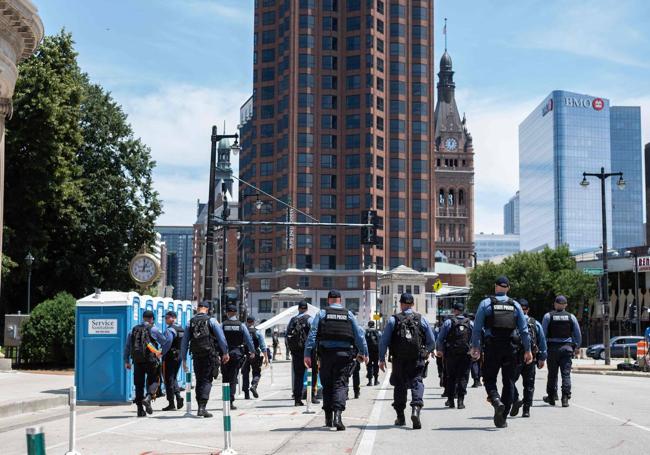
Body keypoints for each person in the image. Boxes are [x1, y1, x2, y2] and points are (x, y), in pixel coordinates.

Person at [470, 276, 533, 428]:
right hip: (511, 348)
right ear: (508, 288)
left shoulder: (486, 304)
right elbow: (524, 331)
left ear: (495, 287)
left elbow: (477, 329)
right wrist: (528, 350)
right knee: (509, 381)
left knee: (489, 378)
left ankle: (495, 399)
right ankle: (503, 417)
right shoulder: (516, 305)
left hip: (492, 347)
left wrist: (476, 347)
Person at [304, 290, 368, 431]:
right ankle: (338, 416)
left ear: (328, 300)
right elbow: (359, 335)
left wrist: (307, 353)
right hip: (344, 355)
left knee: (327, 385)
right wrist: (363, 352)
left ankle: (328, 418)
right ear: (340, 300)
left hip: (326, 355)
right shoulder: (349, 314)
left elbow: (313, 333)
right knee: (340, 384)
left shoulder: (322, 313)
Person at [379, 293, 435, 430]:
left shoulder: (394, 320)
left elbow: (383, 341)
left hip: (399, 359)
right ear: (413, 304)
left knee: (399, 386)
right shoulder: (421, 319)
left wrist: (381, 359)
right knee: (417, 382)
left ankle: (400, 417)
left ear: (401, 304)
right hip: (416, 358)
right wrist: (425, 352)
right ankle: (416, 409)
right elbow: (432, 341)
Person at [181, 301, 229, 418]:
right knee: (207, 380)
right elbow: (221, 338)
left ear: (198, 309)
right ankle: (202, 407)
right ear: (207, 309)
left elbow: (184, 342)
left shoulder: (190, 322)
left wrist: (183, 359)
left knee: (199, 380)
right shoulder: (211, 321)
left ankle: (199, 407)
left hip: (196, 355)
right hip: (209, 355)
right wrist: (225, 352)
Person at [124, 310, 171, 417]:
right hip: (151, 360)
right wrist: (161, 353)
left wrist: (126, 361)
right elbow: (165, 341)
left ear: (143, 318)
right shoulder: (154, 329)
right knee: (154, 379)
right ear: (152, 319)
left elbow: (127, 347)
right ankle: (148, 397)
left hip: (137, 361)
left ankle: (140, 410)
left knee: (138, 385)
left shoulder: (133, 330)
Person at [542, 295, 581, 408]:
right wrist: (577, 346)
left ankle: (551, 396)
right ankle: (565, 398)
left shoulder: (548, 316)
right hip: (567, 349)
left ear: (555, 304)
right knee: (566, 374)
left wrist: (543, 350)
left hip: (552, 348)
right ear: (565, 305)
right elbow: (577, 334)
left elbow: (543, 335)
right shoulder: (571, 317)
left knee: (552, 375)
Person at [510, 298, 547, 418]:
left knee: (509, 381)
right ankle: (526, 409)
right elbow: (542, 341)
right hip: (531, 357)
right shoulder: (535, 323)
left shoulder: (511, 321)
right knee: (529, 384)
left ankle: (515, 399)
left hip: (515, 357)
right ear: (528, 309)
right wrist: (542, 357)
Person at [436, 302, 472, 409]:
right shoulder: (470, 323)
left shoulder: (448, 322)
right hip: (466, 354)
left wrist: (440, 350)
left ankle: (451, 401)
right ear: (463, 310)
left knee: (451, 377)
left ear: (454, 311)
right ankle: (460, 401)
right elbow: (476, 337)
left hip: (451, 354)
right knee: (463, 377)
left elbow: (440, 338)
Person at [221, 304, 256, 410]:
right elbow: (248, 339)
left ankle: (226, 399)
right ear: (236, 313)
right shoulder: (241, 325)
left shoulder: (222, 325)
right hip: (237, 353)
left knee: (225, 377)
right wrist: (252, 351)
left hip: (225, 354)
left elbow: (219, 338)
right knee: (233, 377)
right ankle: (230, 401)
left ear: (227, 313)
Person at [286, 301, 313, 406]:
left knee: (298, 375)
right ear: (306, 309)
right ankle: (312, 396)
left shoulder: (293, 320)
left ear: (298, 309)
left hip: (296, 351)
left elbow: (287, 336)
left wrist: (291, 350)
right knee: (312, 373)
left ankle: (297, 398)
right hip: (307, 351)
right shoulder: (310, 319)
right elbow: (314, 334)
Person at [161, 311, 185, 411]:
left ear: (173, 318)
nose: (165, 320)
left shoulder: (170, 330)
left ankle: (171, 403)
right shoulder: (181, 329)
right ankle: (178, 397)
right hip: (178, 355)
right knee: (173, 377)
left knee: (168, 379)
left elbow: (168, 342)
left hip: (170, 356)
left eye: (167, 318)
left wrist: (161, 353)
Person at [242, 316, 269, 399]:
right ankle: (254, 385)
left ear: (247, 322)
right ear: (253, 322)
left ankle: (246, 393)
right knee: (256, 372)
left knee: (245, 374)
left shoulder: (243, 331)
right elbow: (263, 346)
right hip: (255, 355)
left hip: (245, 355)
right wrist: (266, 357)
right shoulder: (257, 332)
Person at [467, 313, 482, 388]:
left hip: (471, 345)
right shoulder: (477, 324)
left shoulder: (468, 324)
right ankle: (478, 380)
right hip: (479, 345)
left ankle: (476, 380)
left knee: (474, 363)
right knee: (479, 363)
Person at [365, 320, 381, 386]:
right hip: (376, 351)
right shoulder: (378, 332)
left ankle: (370, 381)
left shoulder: (366, 332)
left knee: (369, 365)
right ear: (374, 325)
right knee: (376, 365)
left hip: (369, 351)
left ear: (368, 325)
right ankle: (376, 380)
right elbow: (381, 342)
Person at [433, 319, 446, 394]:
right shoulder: (448, 327)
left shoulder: (436, 330)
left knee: (439, 364)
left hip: (438, 349)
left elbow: (434, 339)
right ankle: (443, 375)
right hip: (447, 349)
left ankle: (440, 374)